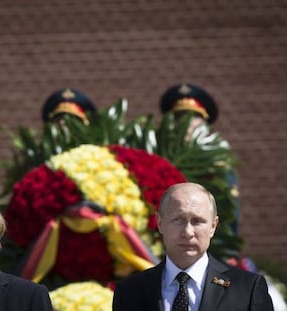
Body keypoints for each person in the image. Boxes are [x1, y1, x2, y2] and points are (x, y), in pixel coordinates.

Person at [112, 182, 273, 311]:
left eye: (197, 221)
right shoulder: (129, 292)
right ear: (160, 223)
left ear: (213, 226)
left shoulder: (247, 289)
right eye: (178, 220)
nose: (188, 232)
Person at [159, 83, 240, 235]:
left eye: (194, 117)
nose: (186, 122)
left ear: (204, 123)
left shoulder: (217, 159)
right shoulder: (159, 153)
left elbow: (230, 207)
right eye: (179, 117)